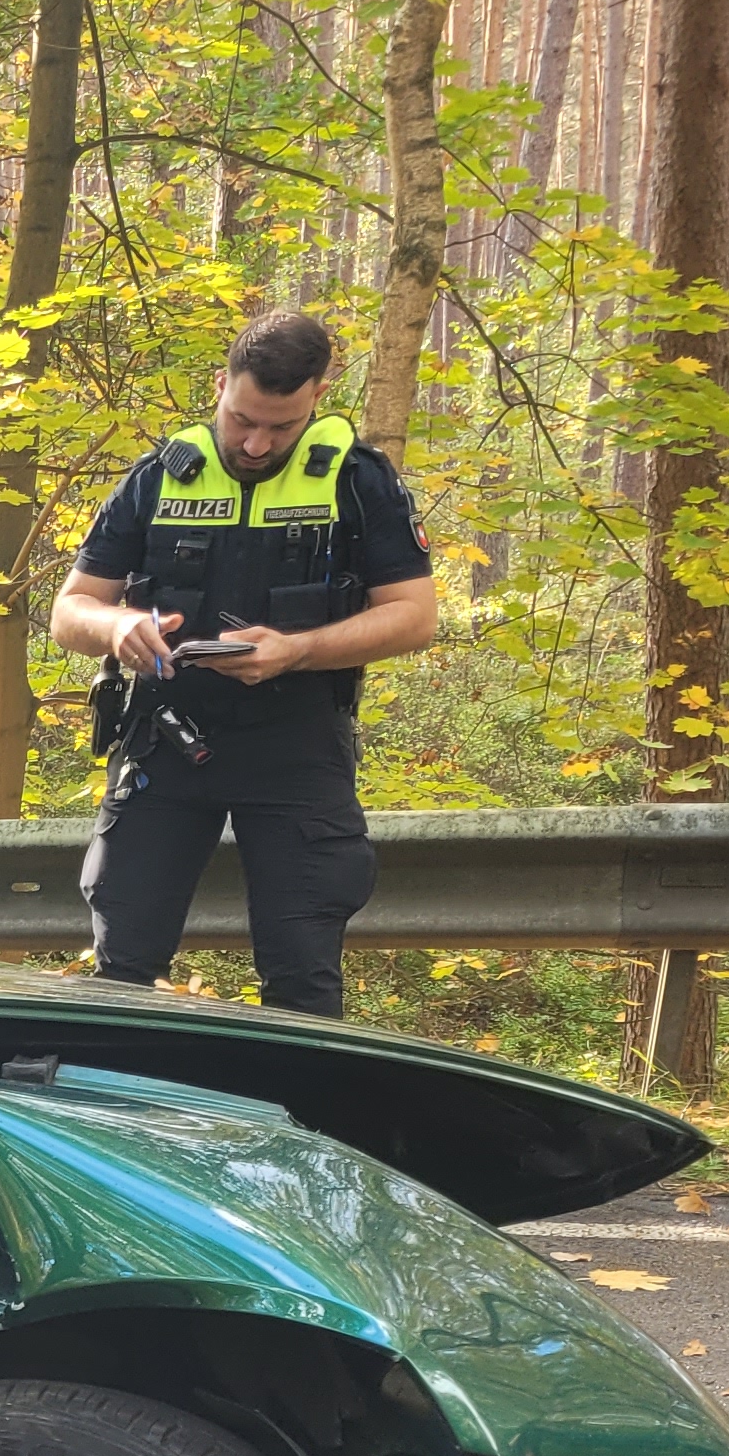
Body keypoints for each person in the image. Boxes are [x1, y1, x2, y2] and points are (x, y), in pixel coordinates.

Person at [52, 310, 442, 1019]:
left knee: (302, 984)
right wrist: (117, 625)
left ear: (318, 396)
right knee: (121, 972)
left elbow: (415, 616)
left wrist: (299, 650)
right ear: (219, 386)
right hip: (167, 742)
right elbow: (70, 611)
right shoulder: (156, 479)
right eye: (241, 420)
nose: (256, 443)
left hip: (297, 748)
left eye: (280, 427)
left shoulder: (358, 483)